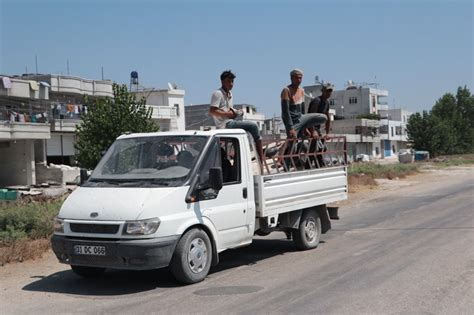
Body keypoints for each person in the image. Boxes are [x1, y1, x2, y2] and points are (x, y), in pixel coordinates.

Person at [209, 70, 264, 165]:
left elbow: (227, 109)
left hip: (230, 122)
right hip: (225, 125)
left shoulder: (229, 94)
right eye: (228, 81)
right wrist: (228, 114)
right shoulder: (218, 93)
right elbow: (212, 111)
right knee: (254, 126)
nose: (231, 84)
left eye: (232, 81)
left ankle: (240, 161)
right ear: (222, 81)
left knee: (245, 135)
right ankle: (261, 158)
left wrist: (237, 112)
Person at [281, 69, 327, 139]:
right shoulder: (286, 90)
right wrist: (290, 127)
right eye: (296, 78)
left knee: (323, 117)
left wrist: (305, 127)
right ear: (291, 78)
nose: (299, 80)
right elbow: (285, 112)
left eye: (300, 78)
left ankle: (305, 130)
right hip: (293, 121)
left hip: (301, 118)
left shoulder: (301, 91)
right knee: (293, 140)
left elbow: (303, 110)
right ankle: (283, 148)